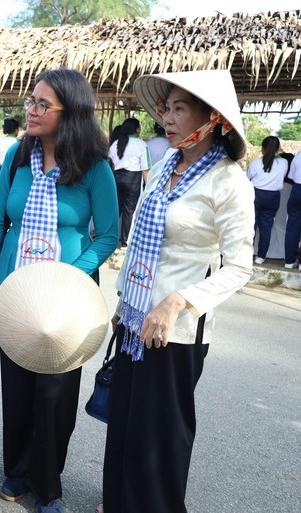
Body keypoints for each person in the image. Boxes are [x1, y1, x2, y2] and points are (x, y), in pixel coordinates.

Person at [100, 70, 255, 513]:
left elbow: (240, 266)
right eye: (166, 108)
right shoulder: (166, 163)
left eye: (180, 109)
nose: (167, 118)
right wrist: (122, 301)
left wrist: (178, 300)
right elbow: (140, 241)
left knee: (160, 435)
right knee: (127, 424)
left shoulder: (228, 182)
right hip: (135, 320)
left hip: (177, 330)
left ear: (214, 118)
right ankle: (119, 503)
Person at [0, 68, 119, 513]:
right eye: (31, 102)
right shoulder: (20, 157)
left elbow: (107, 235)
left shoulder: (94, 168)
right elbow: (0, 218)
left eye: (43, 104)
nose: (31, 111)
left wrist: (68, 278)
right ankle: (17, 471)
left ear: (70, 112)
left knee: (55, 396)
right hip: (17, 295)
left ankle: (48, 485)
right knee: (17, 387)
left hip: (67, 301)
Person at [247, 136, 289, 264]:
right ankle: (261, 256)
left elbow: (247, 179)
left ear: (262, 148)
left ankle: (247, 255)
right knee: (266, 227)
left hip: (256, 195)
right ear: (278, 149)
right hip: (273, 197)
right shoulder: (284, 163)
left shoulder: (255, 163)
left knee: (250, 227)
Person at [109, 117, 150, 247]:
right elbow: (145, 169)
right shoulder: (141, 144)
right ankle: (125, 241)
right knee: (129, 211)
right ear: (137, 129)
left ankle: (111, 238)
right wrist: (148, 187)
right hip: (132, 179)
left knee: (116, 209)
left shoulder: (115, 144)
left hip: (115, 178)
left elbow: (109, 164)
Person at [284, 151, 301, 270]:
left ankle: (289, 262)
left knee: (292, 227)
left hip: (297, 190)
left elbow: (291, 177)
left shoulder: (298, 155)